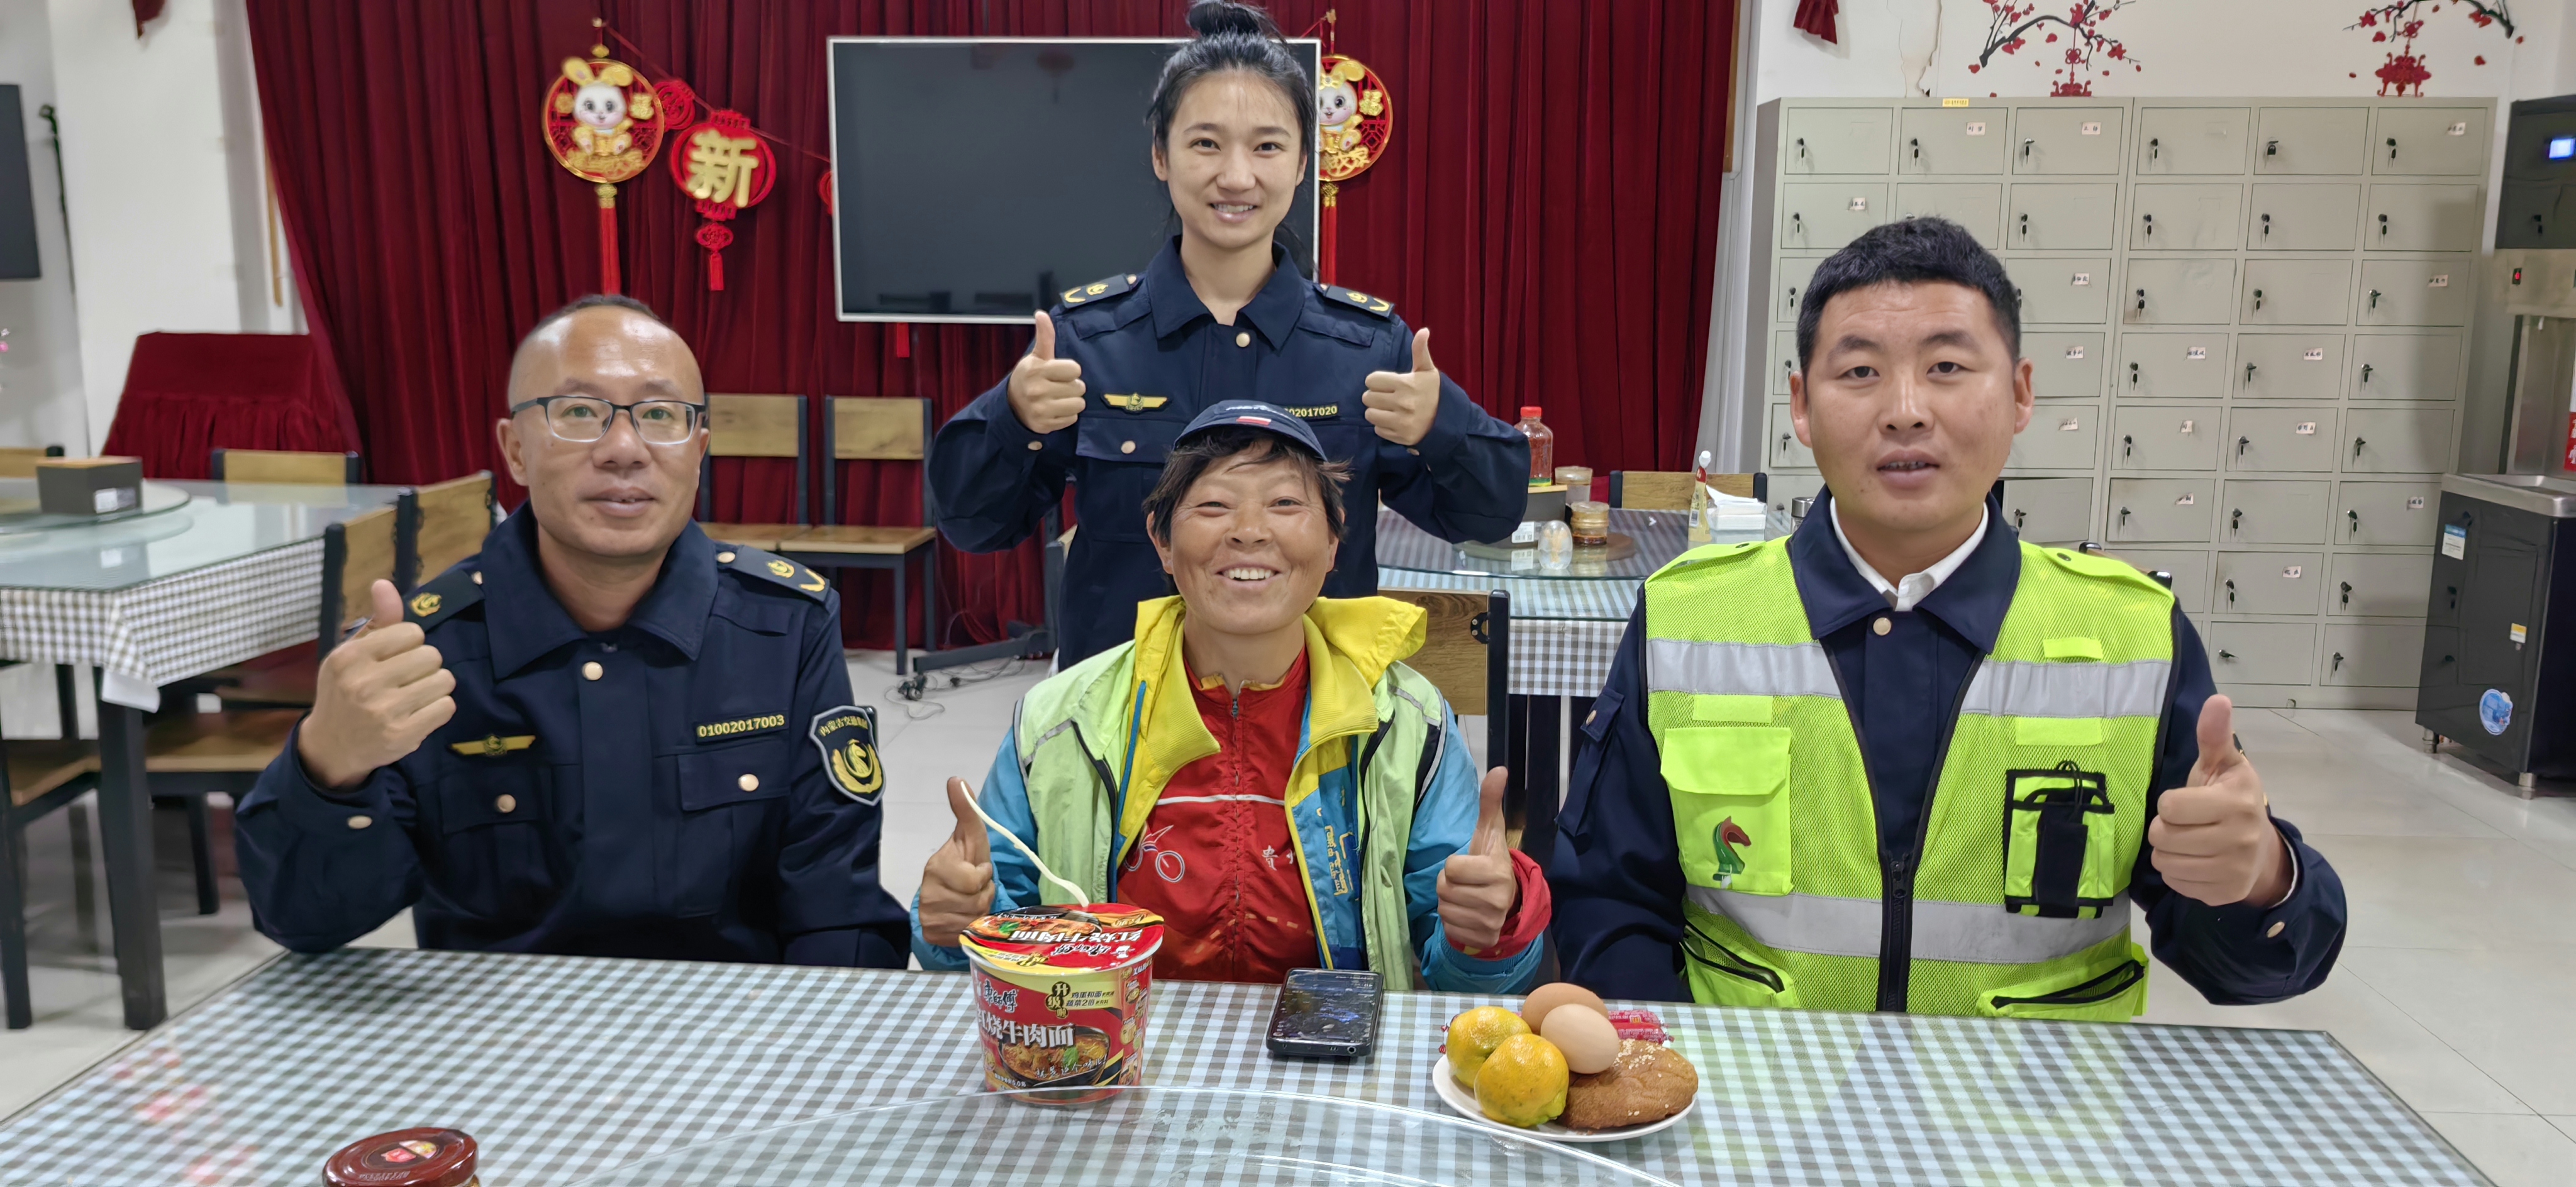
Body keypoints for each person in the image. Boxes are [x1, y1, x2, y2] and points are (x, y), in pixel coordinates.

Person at [1550, 219, 2348, 1018]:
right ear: (1801, 405)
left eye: (1947, 367)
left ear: (2020, 393)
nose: (1905, 411)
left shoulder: (2129, 639)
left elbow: (2256, 968)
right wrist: (1681, 1072)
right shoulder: (1690, 617)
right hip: (1752, 1114)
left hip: (2034, 1126)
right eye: (1859, 370)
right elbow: (1607, 901)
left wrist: (2260, 878)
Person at [233, 295, 911, 968]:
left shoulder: (785, 624)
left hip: (735, 1033)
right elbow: (306, 922)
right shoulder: (426, 649)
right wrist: (330, 762)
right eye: (580, 412)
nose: (623, 450)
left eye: (659, 415)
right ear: (515, 450)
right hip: (499, 1041)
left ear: (699, 449)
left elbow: (835, 905)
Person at [928, 0, 1530, 667]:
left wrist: (1440, 423)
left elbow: (1489, 518)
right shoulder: (1087, 342)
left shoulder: (1365, 350)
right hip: (1127, 730)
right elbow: (972, 525)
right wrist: (1011, 417)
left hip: (1313, 729)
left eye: (1268, 145)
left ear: (1304, 162)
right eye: (1205, 143)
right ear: (1161, 155)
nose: (1236, 176)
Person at [912, 400, 1550, 992]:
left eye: (1283, 504)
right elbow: (991, 931)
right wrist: (951, 921)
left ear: (1333, 543)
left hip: (1334, 1068)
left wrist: (1486, 932)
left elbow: (1457, 977)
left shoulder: (1408, 724)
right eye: (1214, 506)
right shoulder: (1060, 720)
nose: (1248, 532)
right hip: (1118, 1054)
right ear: (1162, 541)